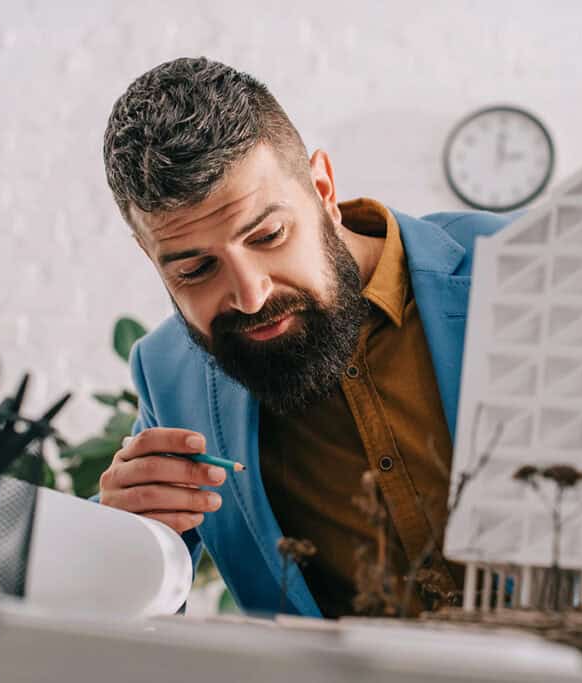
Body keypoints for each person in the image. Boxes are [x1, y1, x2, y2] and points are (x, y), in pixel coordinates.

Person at [97, 57, 513, 618]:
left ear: (322, 188)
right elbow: (126, 611)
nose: (250, 295)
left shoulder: (521, 262)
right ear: (152, 257)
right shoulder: (168, 376)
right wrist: (126, 542)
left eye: (268, 235)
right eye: (195, 271)